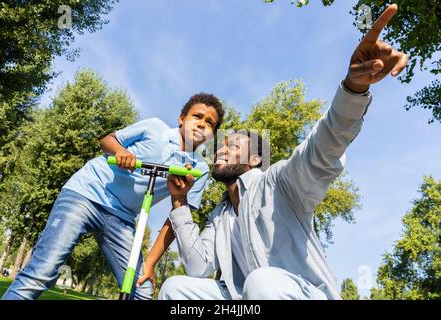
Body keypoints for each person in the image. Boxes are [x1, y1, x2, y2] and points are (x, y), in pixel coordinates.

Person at [158, 4, 408, 300]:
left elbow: (322, 149)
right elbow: (199, 266)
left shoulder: (279, 183)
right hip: (246, 300)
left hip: (301, 295)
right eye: (221, 145)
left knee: (261, 282)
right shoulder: (221, 214)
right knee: (176, 288)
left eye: (232, 145)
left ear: (254, 160)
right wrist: (178, 201)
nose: (220, 149)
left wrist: (353, 89)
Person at [2, 93, 224, 300]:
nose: (202, 123)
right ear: (181, 118)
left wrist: (150, 262)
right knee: (43, 271)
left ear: (212, 134)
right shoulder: (154, 128)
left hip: (122, 217)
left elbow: (176, 218)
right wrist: (121, 152)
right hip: (87, 194)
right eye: (197, 116)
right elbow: (107, 140)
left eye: (210, 123)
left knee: (142, 289)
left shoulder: (198, 169)